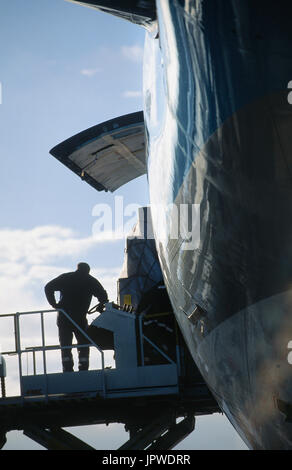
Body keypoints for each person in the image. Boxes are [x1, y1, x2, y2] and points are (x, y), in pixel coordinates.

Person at [44, 262, 108, 372]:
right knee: (83, 344)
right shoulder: (90, 280)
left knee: (65, 345)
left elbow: (48, 287)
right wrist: (102, 305)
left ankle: (67, 368)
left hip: (64, 317)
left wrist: (54, 304)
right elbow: (103, 296)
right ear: (88, 270)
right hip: (79, 318)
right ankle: (83, 368)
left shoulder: (66, 278)